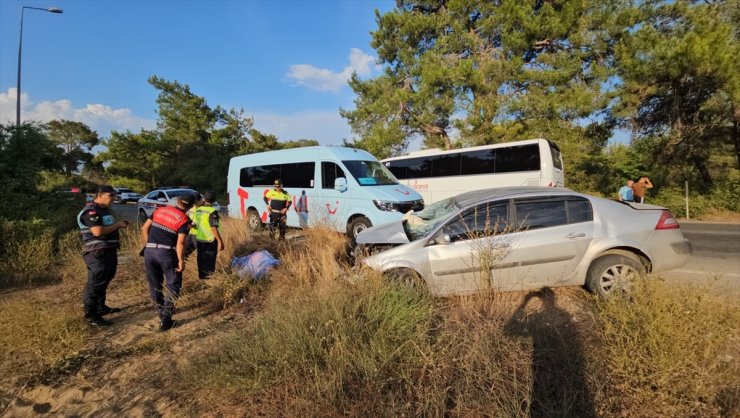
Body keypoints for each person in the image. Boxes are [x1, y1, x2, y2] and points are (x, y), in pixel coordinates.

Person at [140, 194, 195, 332]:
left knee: (154, 284)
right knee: (173, 284)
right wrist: (181, 261)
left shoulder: (160, 210)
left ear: (177, 201)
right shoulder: (185, 220)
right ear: (191, 206)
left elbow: (144, 228)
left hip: (149, 252)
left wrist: (149, 244)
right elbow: (181, 242)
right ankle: (166, 319)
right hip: (167, 254)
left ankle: (159, 311)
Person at [77, 185, 130, 326]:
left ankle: (101, 307)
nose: (114, 198)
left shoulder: (103, 210)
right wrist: (118, 225)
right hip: (96, 252)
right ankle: (91, 315)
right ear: (100, 195)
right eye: (111, 195)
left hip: (107, 250)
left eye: (114, 195)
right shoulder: (91, 211)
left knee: (106, 278)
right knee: (95, 283)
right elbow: (98, 231)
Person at [189, 190, 225, 279]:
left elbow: (195, 224)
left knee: (201, 262)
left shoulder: (198, 210)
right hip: (210, 241)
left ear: (204, 199)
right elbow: (213, 228)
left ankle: (202, 281)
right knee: (209, 264)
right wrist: (220, 241)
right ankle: (208, 282)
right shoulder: (212, 211)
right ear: (214, 200)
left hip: (200, 240)